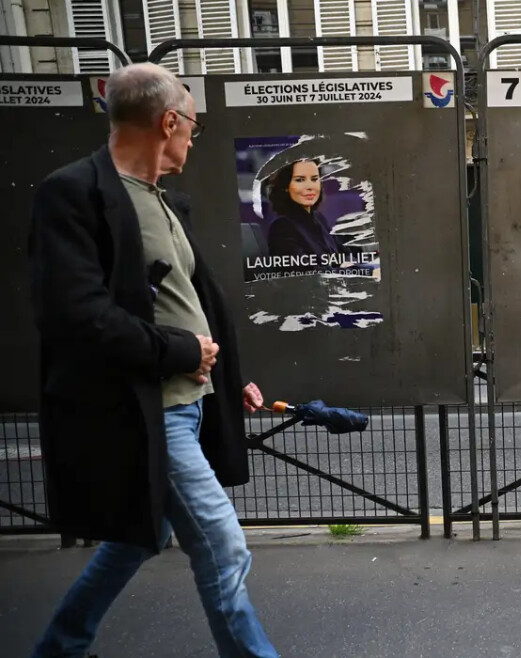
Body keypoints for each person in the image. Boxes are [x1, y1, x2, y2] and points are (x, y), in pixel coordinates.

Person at [27, 62, 278, 657]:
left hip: (188, 402)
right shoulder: (74, 194)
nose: (193, 135)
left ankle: (59, 647)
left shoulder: (163, 202)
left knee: (137, 539)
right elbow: (77, 315)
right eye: (192, 124)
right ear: (170, 121)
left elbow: (185, 302)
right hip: (149, 413)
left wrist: (227, 375)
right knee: (224, 545)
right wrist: (183, 351)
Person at [264, 159, 342, 256]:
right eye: (300, 180)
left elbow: (345, 254)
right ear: (286, 186)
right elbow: (303, 269)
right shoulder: (282, 226)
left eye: (314, 179)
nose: (310, 186)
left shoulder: (319, 218)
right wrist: (340, 268)